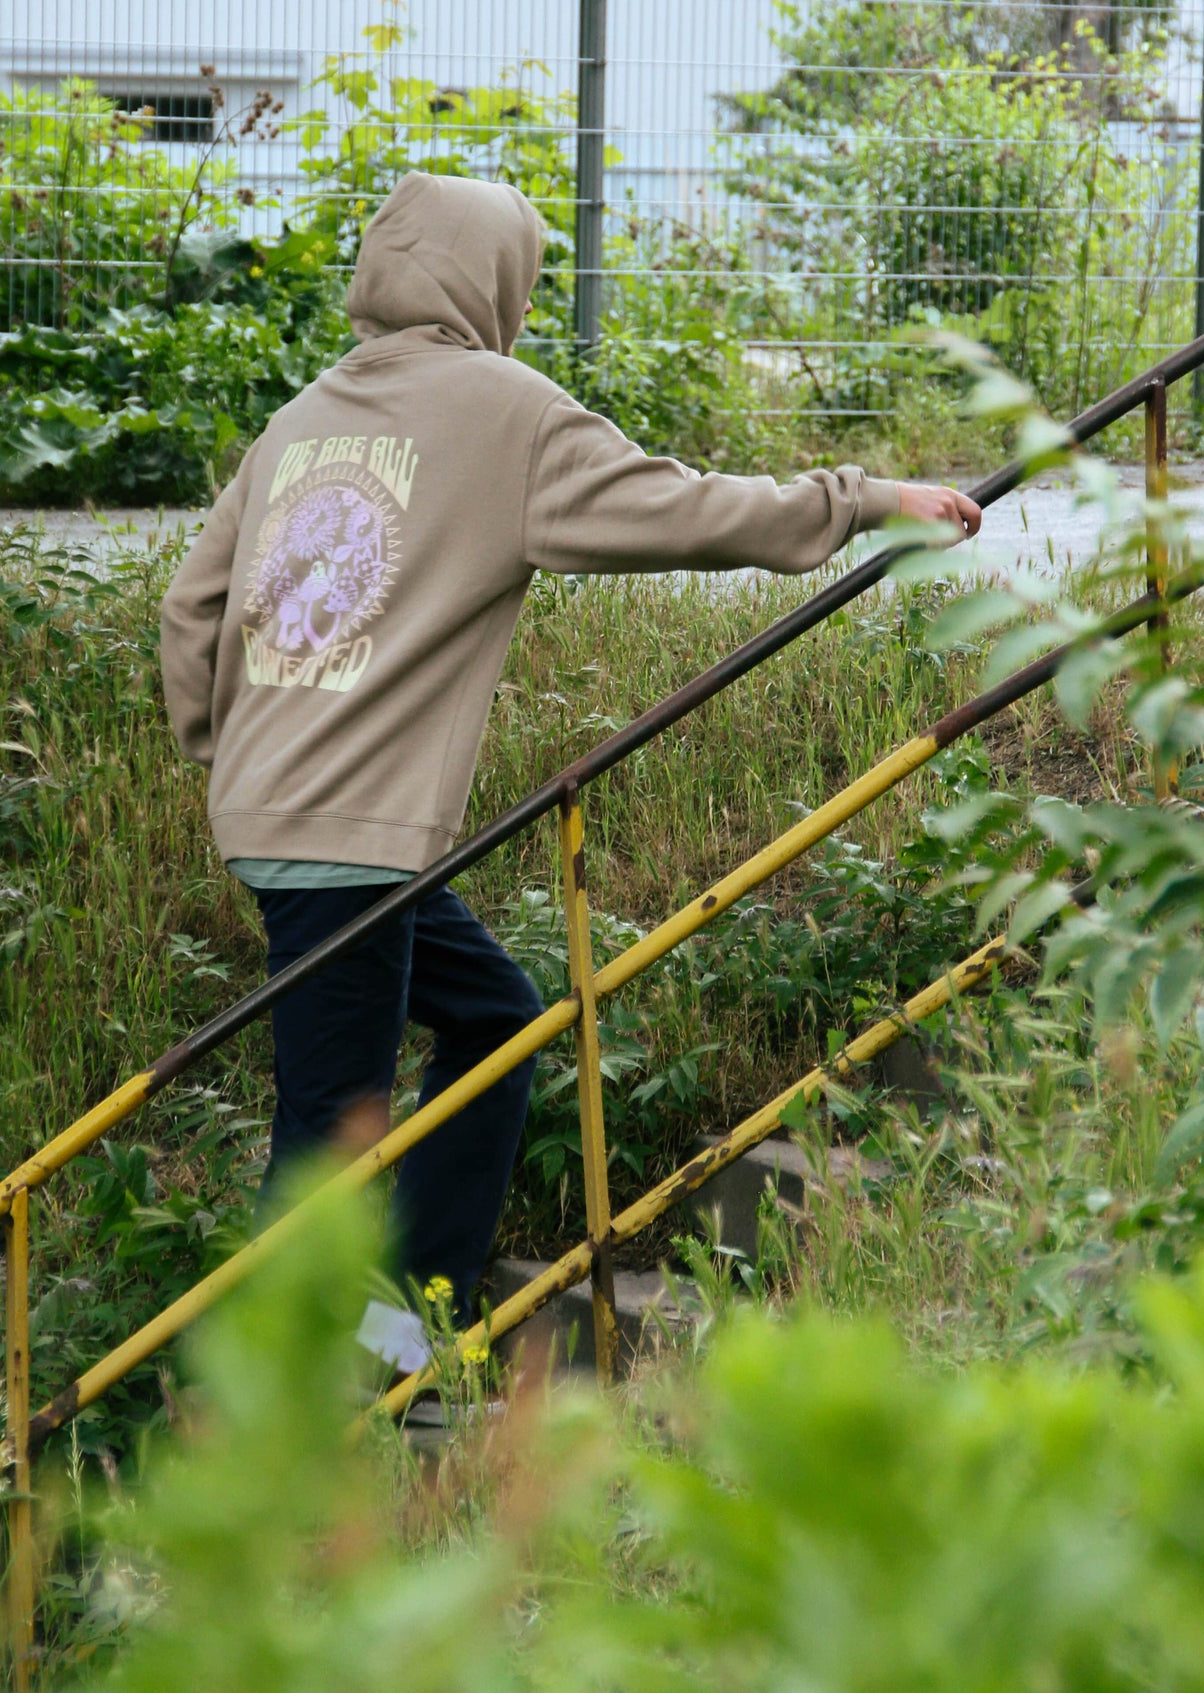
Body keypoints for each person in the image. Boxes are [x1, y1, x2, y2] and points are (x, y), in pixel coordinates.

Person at [159, 171, 980, 1368]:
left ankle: (410, 1315)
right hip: (352, 831)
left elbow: (191, 605)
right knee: (331, 1117)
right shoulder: (505, 413)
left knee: (497, 1020)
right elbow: (682, 509)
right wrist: (862, 500)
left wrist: (227, 751)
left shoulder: (305, 417)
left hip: (286, 814)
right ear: (495, 281)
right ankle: (281, 1391)